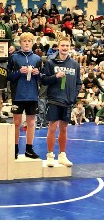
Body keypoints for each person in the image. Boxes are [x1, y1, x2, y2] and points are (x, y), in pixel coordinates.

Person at [42, 36, 82, 167]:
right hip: (54, 99)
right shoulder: (50, 62)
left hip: (67, 101)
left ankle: (62, 155)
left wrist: (73, 96)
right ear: (58, 47)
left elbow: (78, 83)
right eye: (62, 45)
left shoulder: (75, 64)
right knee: (52, 128)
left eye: (67, 46)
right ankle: (49, 155)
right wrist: (55, 76)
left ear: (70, 47)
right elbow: (44, 80)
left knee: (64, 129)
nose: (64, 48)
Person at [7, 32, 41, 159]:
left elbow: (41, 79)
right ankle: (14, 149)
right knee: (16, 123)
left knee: (31, 123)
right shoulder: (14, 57)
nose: (26, 43)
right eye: (24, 41)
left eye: (29, 41)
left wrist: (37, 73)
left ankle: (29, 149)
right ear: (20, 43)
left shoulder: (37, 59)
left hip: (32, 95)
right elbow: (8, 76)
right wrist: (19, 72)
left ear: (32, 43)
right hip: (18, 95)